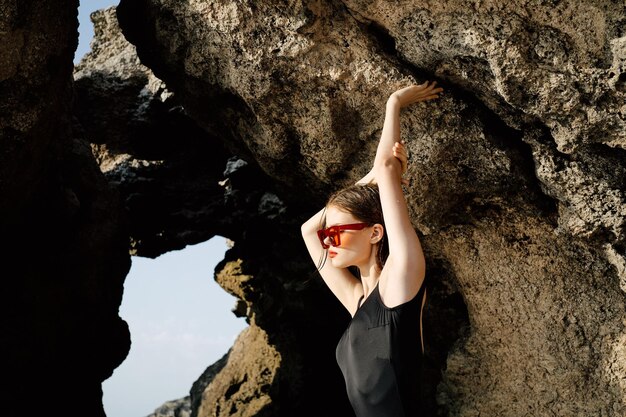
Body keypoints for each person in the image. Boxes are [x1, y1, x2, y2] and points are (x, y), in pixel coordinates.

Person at [301, 81, 443, 417]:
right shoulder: (357, 301)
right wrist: (367, 183)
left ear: (376, 233)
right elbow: (308, 230)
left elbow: (387, 167)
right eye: (329, 234)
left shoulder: (400, 279)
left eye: (337, 232)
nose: (328, 240)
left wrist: (393, 103)